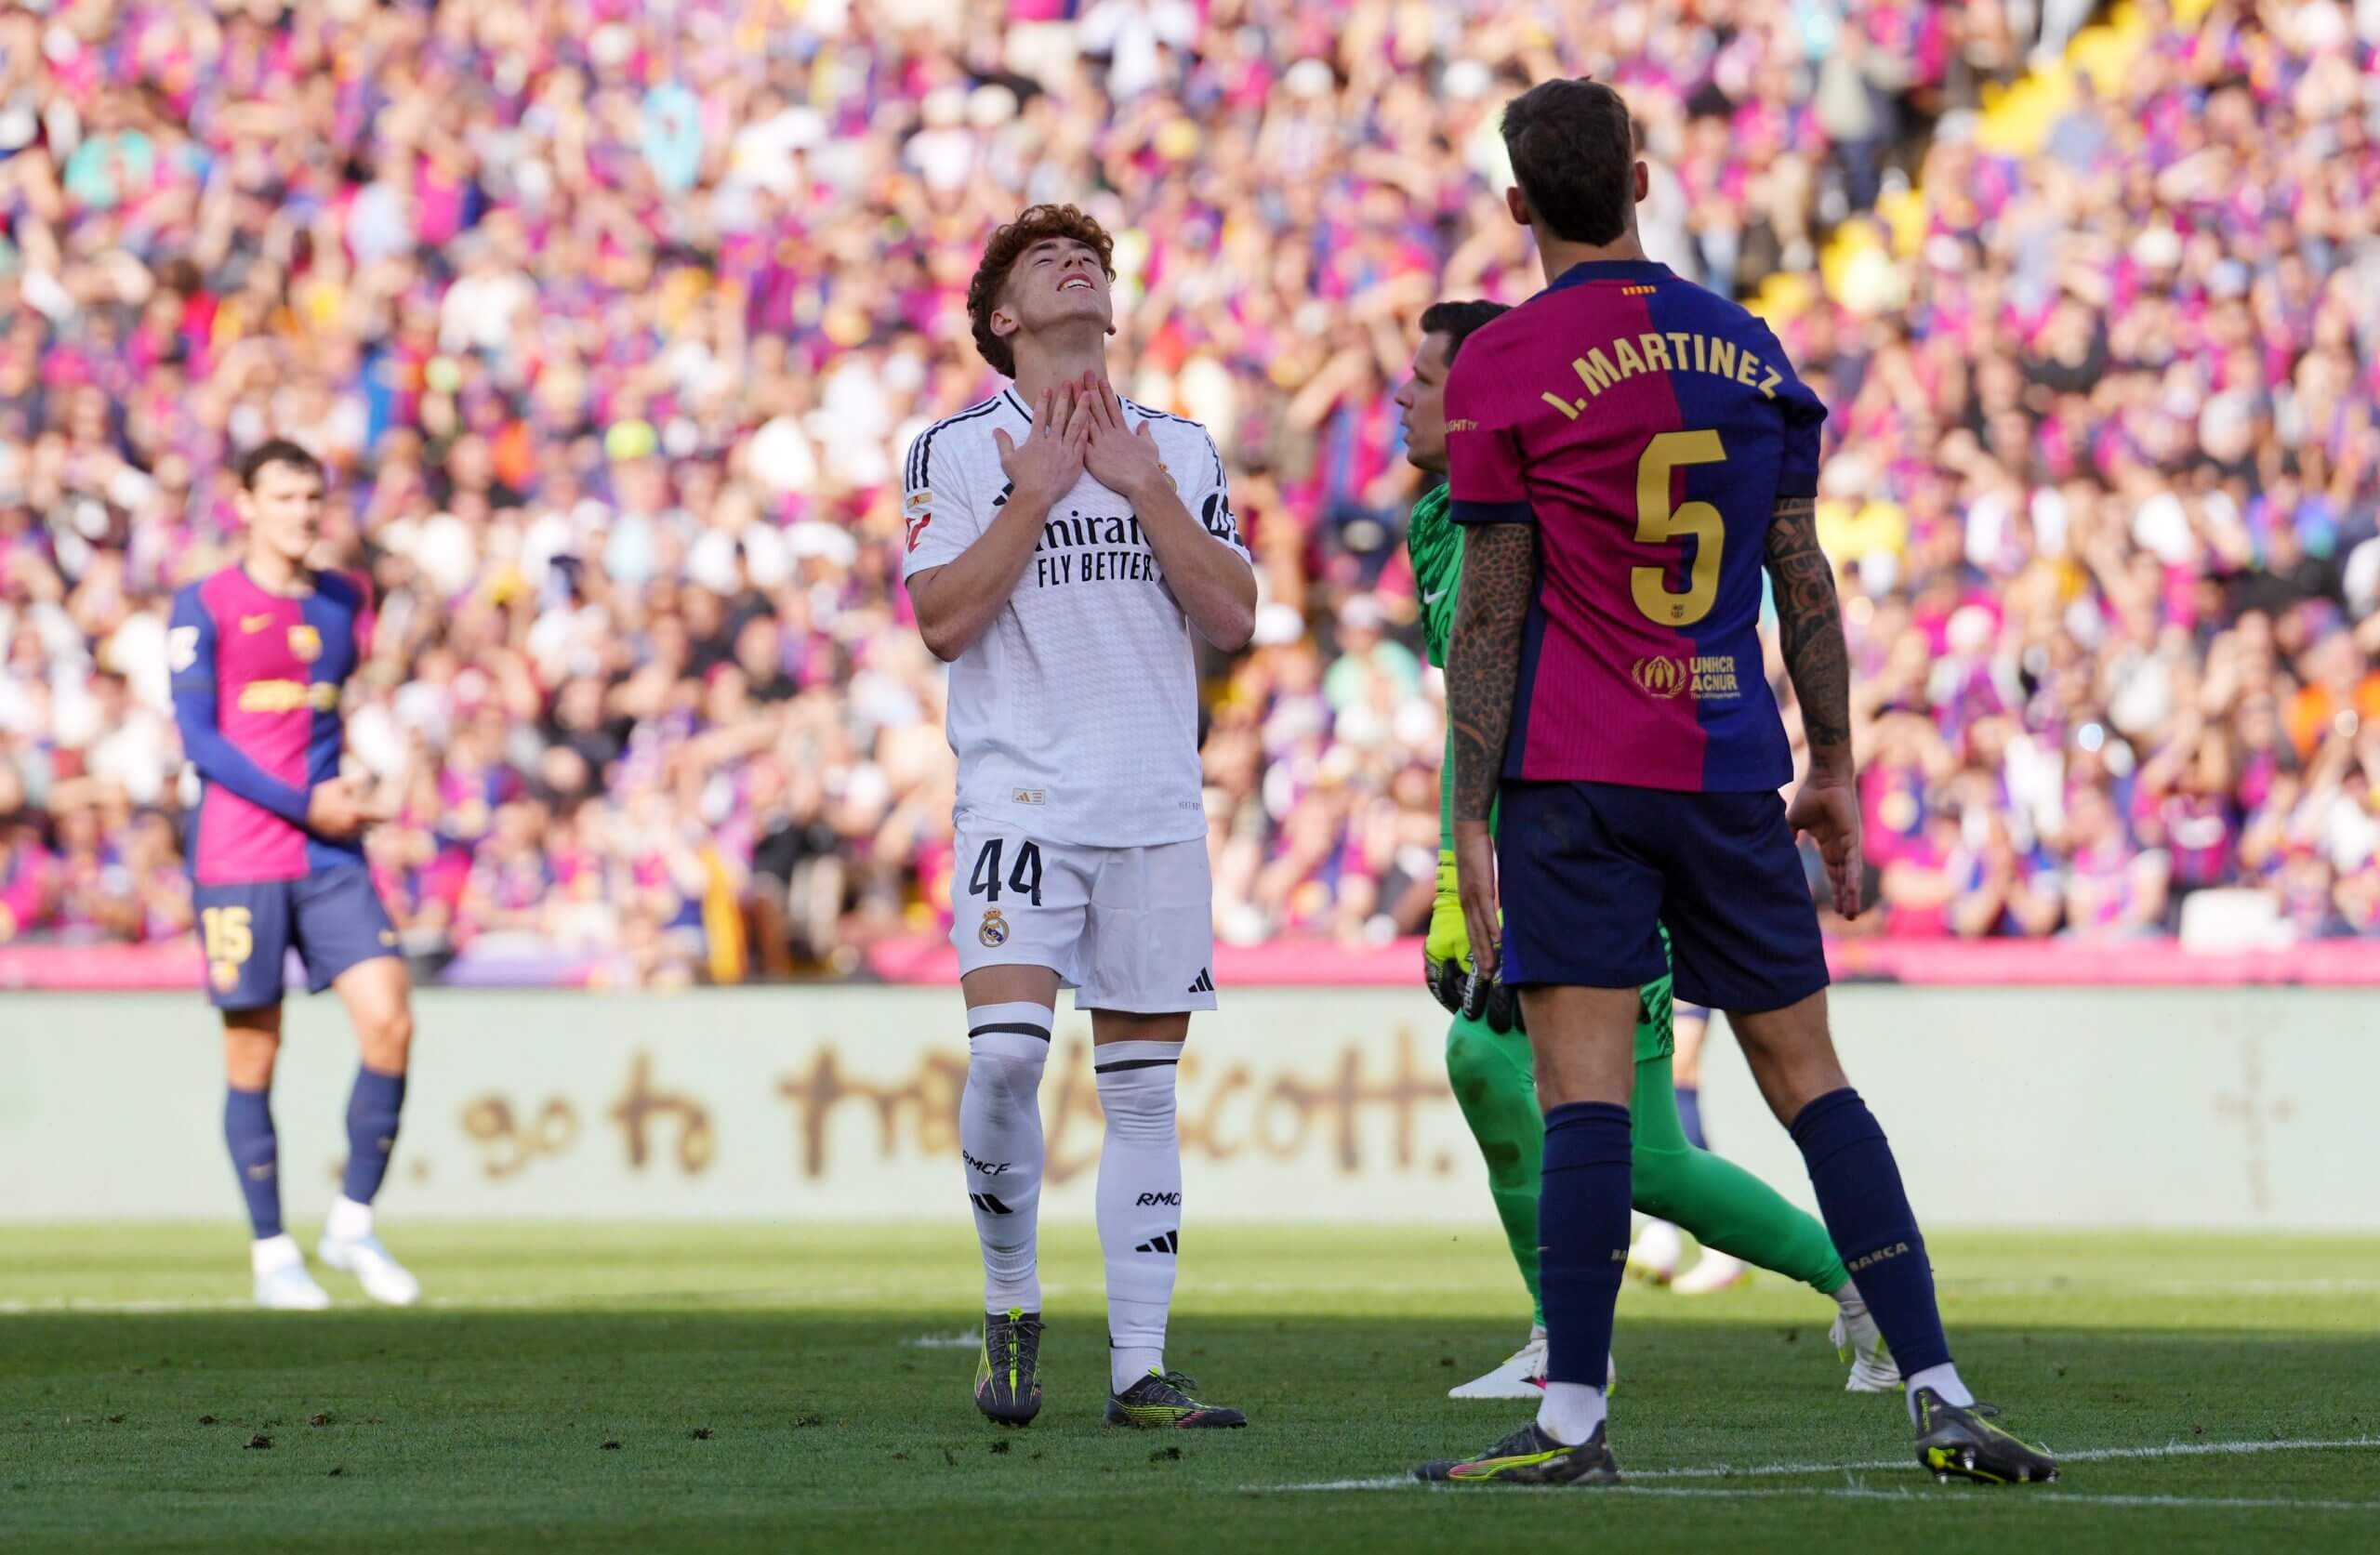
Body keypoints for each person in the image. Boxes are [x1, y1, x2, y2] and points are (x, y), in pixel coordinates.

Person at [1419, 80, 2057, 1487]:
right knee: (1813, 1081)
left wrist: (1470, 812)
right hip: (1726, 763)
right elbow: (1800, 576)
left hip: (1575, 777)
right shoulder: (1750, 349)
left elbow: (1491, 614)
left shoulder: (1505, 366)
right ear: (1640, 178)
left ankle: (1574, 1423)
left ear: (1519, 205)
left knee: (1586, 1098)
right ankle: (1941, 1391)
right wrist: (1832, 765)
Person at [1399, 301, 1893, 1402]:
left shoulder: (1536, 511)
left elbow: (1527, 692)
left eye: (1424, 377)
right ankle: (1559, 1340)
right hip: (1535, 838)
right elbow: (1472, 714)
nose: (1401, 395)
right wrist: (1452, 876)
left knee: (1637, 1149)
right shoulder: (1438, 521)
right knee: (1491, 1067)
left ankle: (1860, 1287)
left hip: (1602, 831)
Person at [901, 204, 1258, 1430]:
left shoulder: (1180, 447)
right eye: (1047, 258)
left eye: (1092, 258)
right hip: (1020, 799)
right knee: (1005, 1059)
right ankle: (1011, 1298)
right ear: (1004, 319)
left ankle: (1139, 1369)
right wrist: (1036, 496)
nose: (1078, 264)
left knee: (1146, 1092)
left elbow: (1234, 616)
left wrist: (1143, 490)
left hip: (1154, 802)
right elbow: (942, 620)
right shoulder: (956, 452)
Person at [168, 440, 420, 1311]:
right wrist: (303, 800)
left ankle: (351, 1223)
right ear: (245, 503)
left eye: (314, 496)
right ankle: (272, 1249)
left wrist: (369, 784)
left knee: (389, 1019)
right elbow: (200, 742)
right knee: (254, 1052)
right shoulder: (202, 603)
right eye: (284, 496)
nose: (304, 512)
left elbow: (341, 717)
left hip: (328, 851)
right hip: (241, 851)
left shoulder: (347, 598)